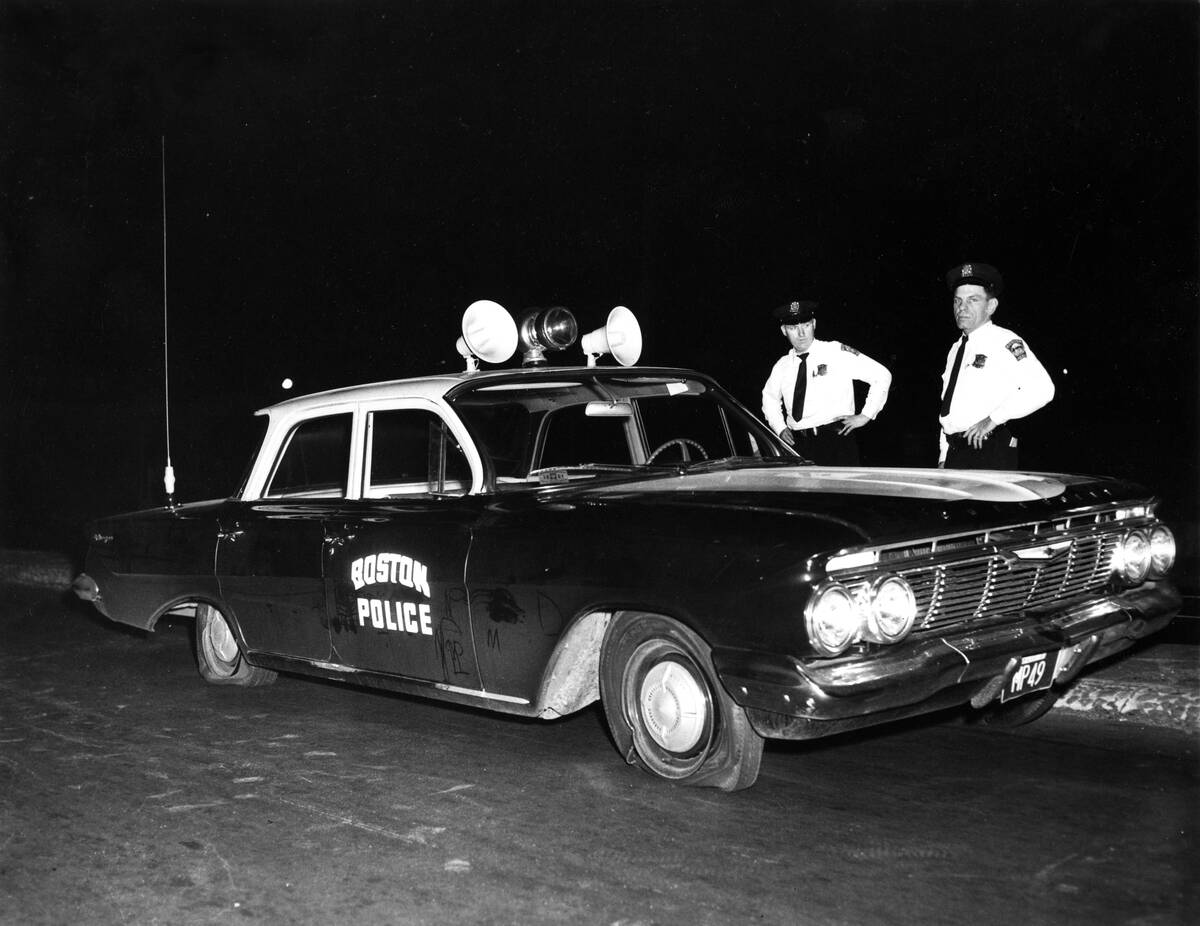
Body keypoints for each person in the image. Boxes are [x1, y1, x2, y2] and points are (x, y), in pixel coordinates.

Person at [938, 263, 1054, 469]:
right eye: (958, 301)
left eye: (973, 300)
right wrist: (943, 456)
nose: (961, 308)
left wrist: (993, 420)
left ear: (991, 306)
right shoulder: (956, 349)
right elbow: (949, 409)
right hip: (955, 454)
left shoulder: (1005, 341)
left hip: (987, 450)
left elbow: (1043, 389)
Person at [761, 300, 892, 465]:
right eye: (793, 328)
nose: (801, 334)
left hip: (836, 443)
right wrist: (779, 428)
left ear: (814, 324)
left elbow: (881, 375)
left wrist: (866, 415)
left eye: (806, 325)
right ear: (784, 330)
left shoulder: (835, 351)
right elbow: (769, 398)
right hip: (797, 446)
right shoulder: (782, 365)